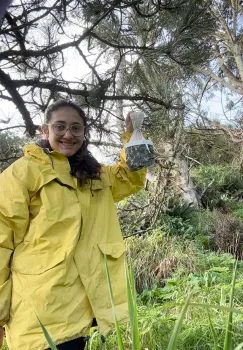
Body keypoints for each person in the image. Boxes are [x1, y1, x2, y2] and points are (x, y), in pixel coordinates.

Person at [0, 100, 147, 350]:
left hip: (99, 308)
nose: (68, 134)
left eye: (76, 128)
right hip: (45, 311)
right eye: (60, 127)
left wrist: (134, 135)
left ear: (83, 133)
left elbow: (130, 176)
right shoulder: (21, 174)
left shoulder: (95, 174)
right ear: (45, 130)